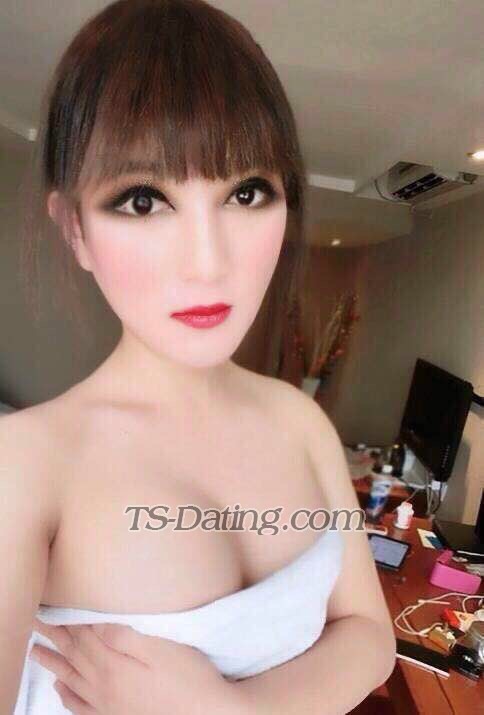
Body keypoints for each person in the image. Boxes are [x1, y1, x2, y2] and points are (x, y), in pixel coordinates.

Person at [1, 1, 396, 713]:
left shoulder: (302, 421)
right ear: (75, 229)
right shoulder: (24, 466)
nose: (208, 263)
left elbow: (370, 637)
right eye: (143, 201)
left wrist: (227, 709)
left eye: (246, 192)